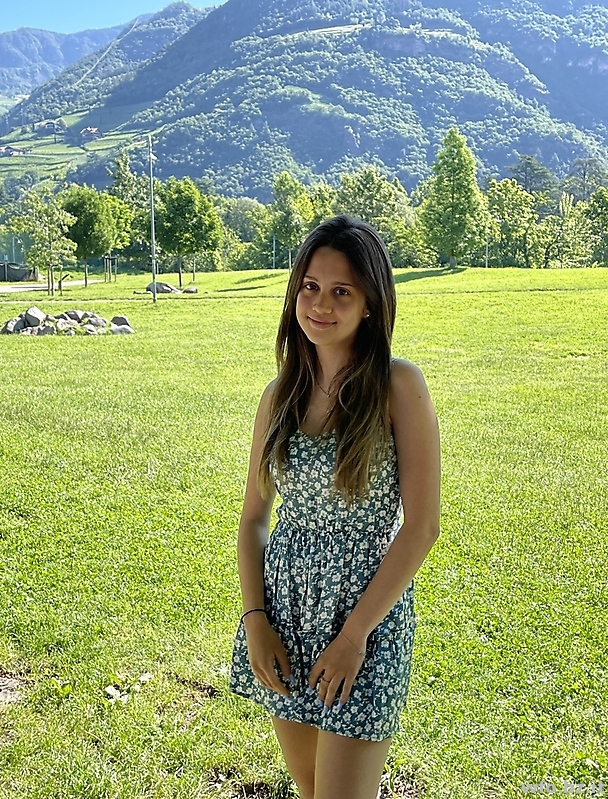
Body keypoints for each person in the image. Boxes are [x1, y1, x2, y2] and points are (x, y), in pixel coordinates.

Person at [229, 215, 441, 799]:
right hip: (285, 617)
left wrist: (352, 637)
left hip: (366, 619)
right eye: (310, 287)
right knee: (311, 788)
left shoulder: (398, 385)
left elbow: (422, 527)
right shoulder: (280, 395)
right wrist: (255, 622)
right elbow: (253, 519)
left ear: (371, 303)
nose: (321, 304)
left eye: (342, 291)